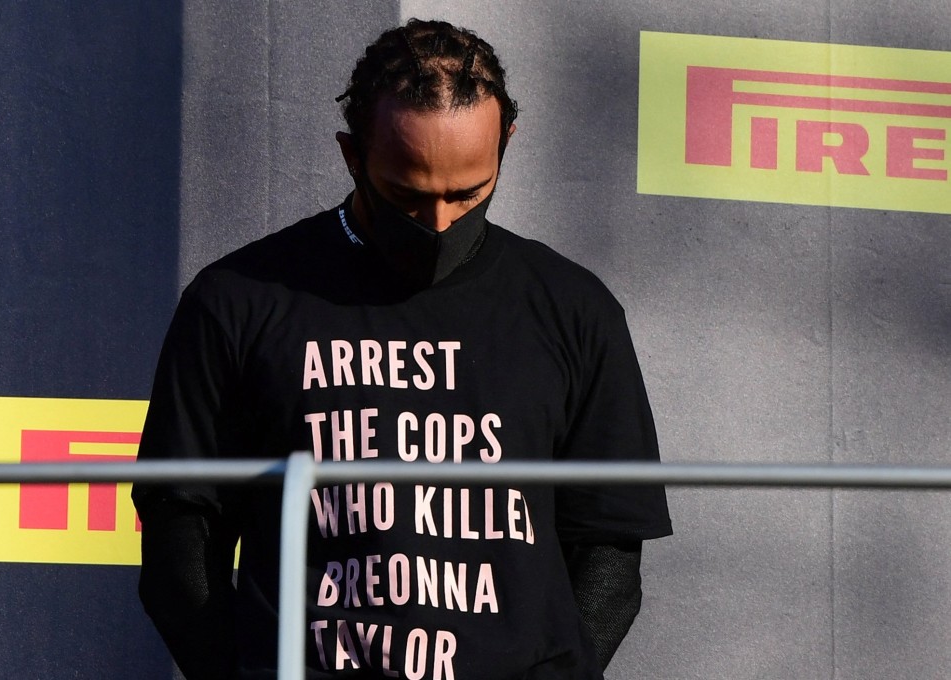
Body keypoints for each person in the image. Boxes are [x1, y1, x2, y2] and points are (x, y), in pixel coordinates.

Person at [133, 18, 672, 680]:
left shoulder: (574, 309)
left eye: (469, 192)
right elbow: (179, 536)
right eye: (407, 197)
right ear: (351, 155)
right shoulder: (238, 301)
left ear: (506, 143)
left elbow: (612, 548)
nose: (440, 224)